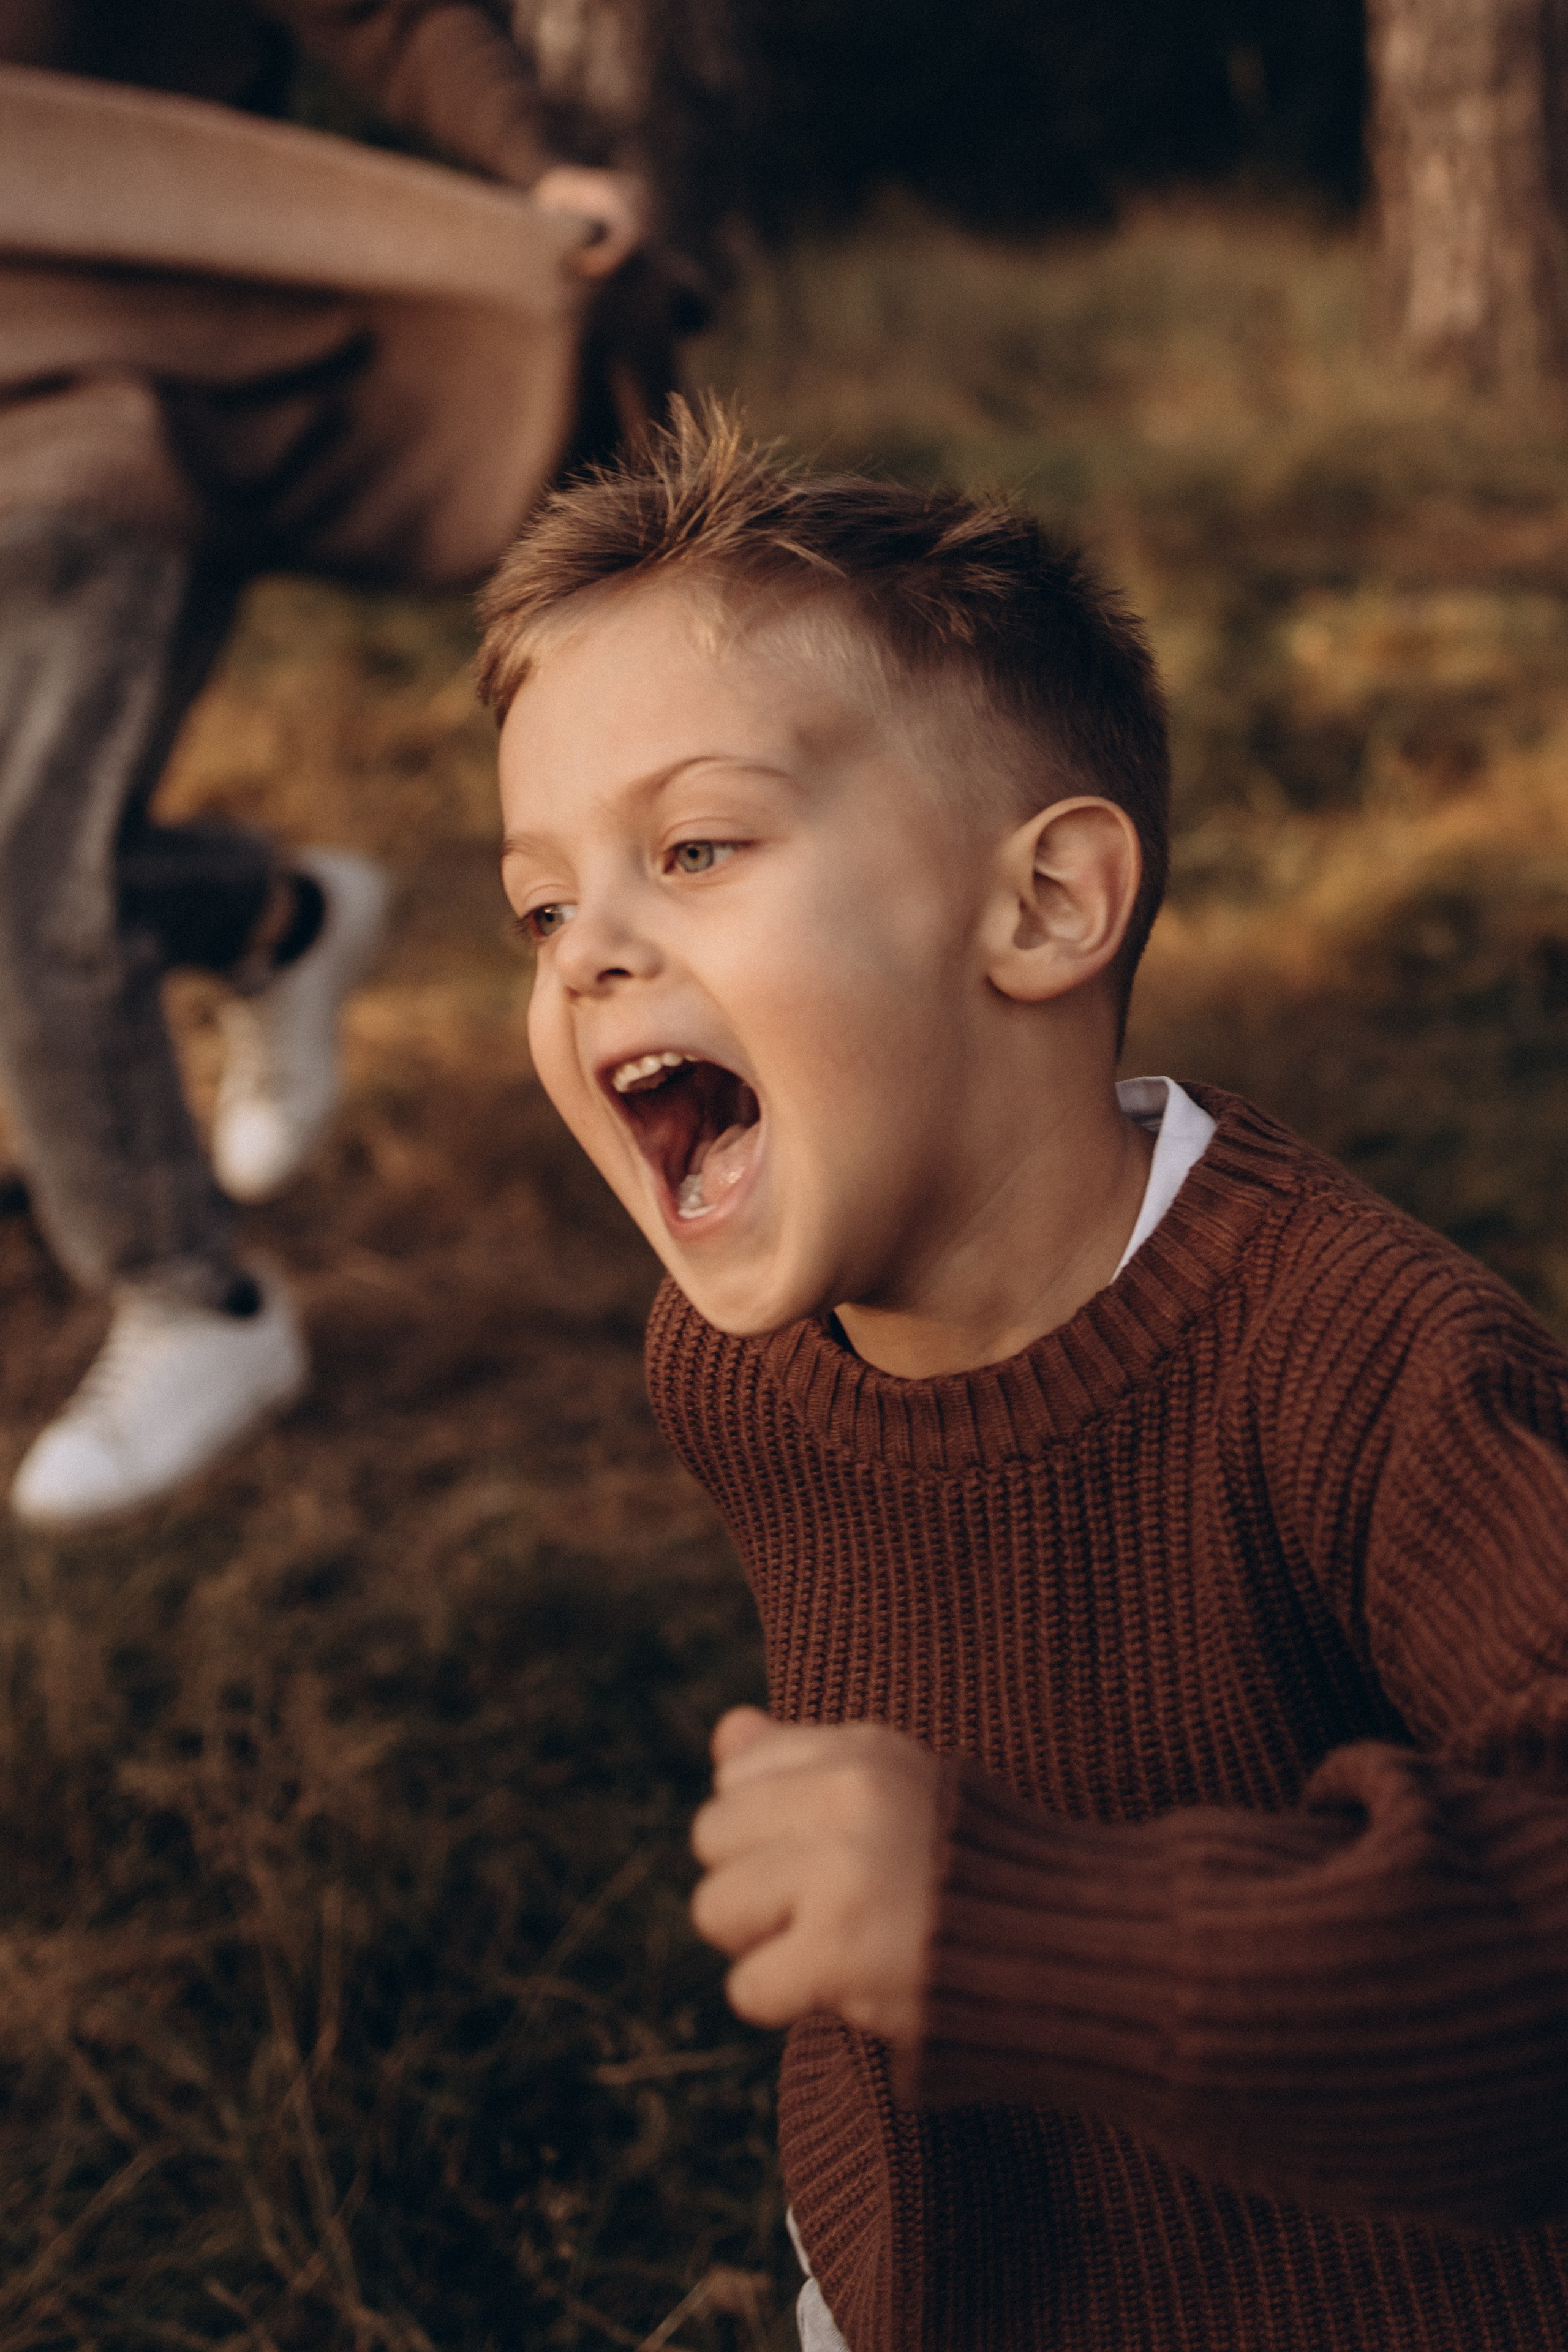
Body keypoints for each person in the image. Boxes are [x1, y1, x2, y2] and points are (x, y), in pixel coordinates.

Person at [478, 401, 1568, 2351]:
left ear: (1045, 906)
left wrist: (1005, 1928)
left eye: (695, 846)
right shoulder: (738, 1370)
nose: (583, 959)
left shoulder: (1373, 1372)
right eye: (543, 905)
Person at [0, 1, 654, 1528]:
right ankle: (265, 920)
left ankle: (192, 1302)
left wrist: (531, 162)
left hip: (114, 408)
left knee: (28, 869)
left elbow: (391, 12)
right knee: (38, 865)